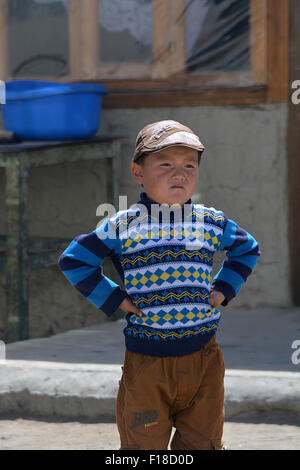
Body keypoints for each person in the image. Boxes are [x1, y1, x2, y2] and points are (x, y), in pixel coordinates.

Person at [58, 120, 260, 450]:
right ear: (138, 172)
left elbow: (247, 248)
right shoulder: (123, 224)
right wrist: (115, 299)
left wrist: (223, 289)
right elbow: (75, 261)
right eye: (165, 164)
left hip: (204, 361)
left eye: (189, 165)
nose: (179, 174)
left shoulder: (210, 221)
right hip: (147, 365)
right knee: (142, 447)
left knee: (203, 443)